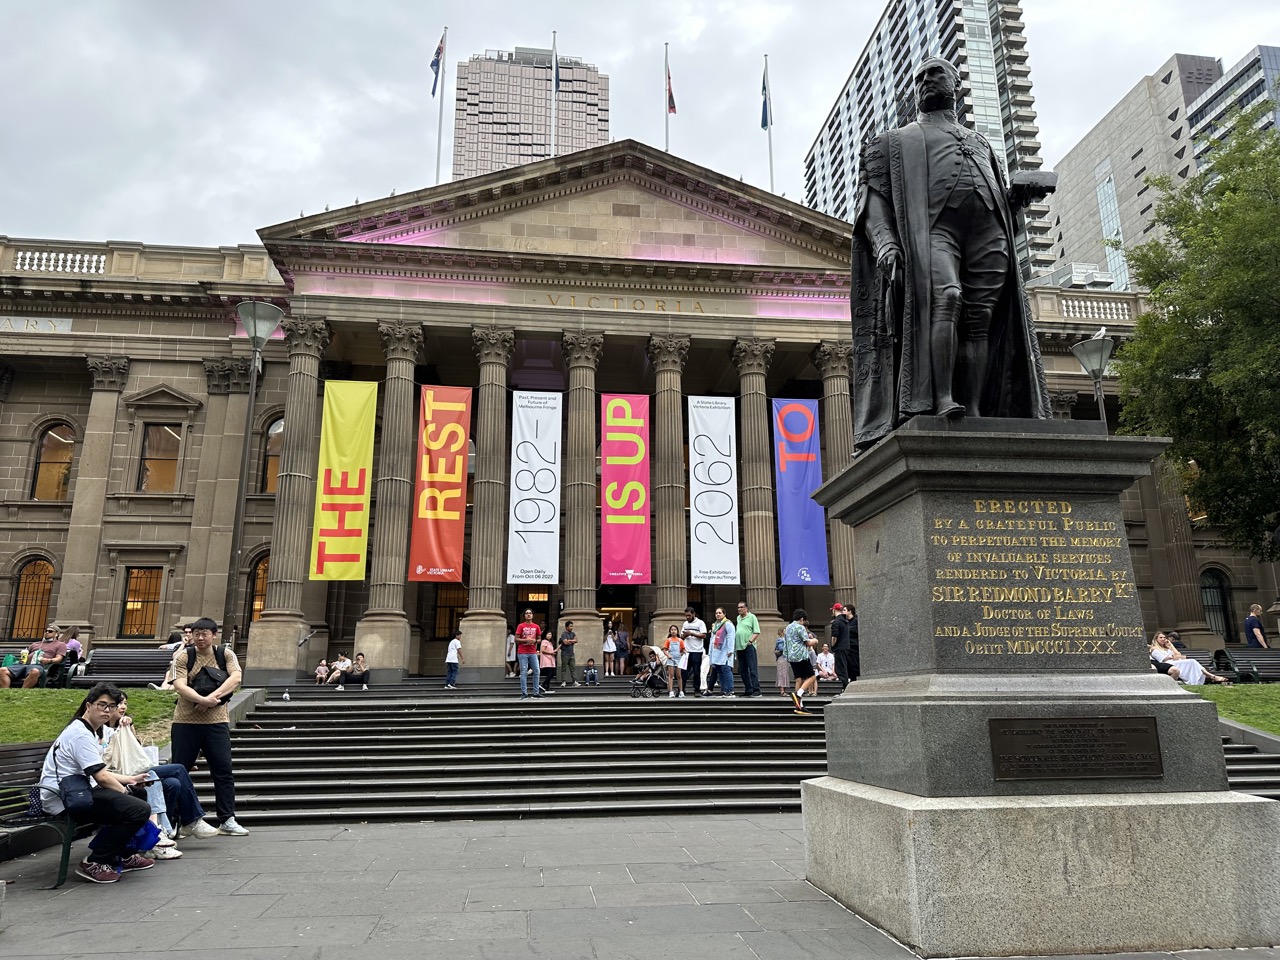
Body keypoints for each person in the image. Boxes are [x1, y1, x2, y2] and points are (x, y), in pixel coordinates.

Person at [851, 57, 1051, 450]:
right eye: (920, 77)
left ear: (955, 83)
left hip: (988, 232)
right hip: (932, 232)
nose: (926, 81)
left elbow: (999, 201)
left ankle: (973, 408)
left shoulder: (981, 143)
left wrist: (1017, 198)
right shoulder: (890, 142)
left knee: (980, 321)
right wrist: (886, 243)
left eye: (935, 73)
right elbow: (872, 206)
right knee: (947, 296)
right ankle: (940, 396)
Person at [37, 683, 155, 883]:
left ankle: (123, 854)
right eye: (102, 705)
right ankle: (95, 861)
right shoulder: (80, 734)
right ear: (88, 705)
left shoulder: (89, 730)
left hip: (79, 791)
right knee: (138, 808)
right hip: (63, 799)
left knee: (138, 795)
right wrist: (124, 792)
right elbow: (101, 777)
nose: (107, 710)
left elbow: (99, 771)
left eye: (111, 706)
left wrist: (130, 780)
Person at [171, 617, 248, 836]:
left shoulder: (225, 654)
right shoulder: (184, 656)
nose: (200, 637)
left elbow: (236, 677)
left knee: (223, 770)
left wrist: (212, 698)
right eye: (196, 633)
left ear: (214, 635)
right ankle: (176, 821)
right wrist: (201, 700)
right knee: (178, 772)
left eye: (205, 633)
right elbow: (179, 685)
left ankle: (227, 819)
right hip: (185, 721)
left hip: (216, 721)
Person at [0, 623, 68, 688]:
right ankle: (6, 691)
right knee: (2, 670)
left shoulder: (60, 644)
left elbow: (58, 658)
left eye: (50, 631)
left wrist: (49, 660)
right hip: (25, 665)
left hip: (41, 665)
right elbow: (26, 654)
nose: (47, 632)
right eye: (46, 631)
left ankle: (22, 692)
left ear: (56, 634)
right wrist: (23, 658)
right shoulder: (35, 644)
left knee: (35, 671)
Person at [1150, 631, 1229, 685]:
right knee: (1192, 661)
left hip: (1175, 662)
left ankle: (1212, 676)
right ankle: (1212, 676)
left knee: (1192, 662)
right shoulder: (1154, 649)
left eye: (1164, 637)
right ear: (1156, 639)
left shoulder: (1167, 647)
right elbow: (1163, 659)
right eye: (1161, 637)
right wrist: (1175, 657)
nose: (1163, 639)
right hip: (1167, 664)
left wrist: (1171, 645)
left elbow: (1178, 654)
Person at [784, 609, 819, 714]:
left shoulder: (788, 627)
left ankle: (799, 705)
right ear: (802, 619)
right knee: (812, 676)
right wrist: (815, 641)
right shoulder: (800, 627)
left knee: (799, 679)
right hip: (801, 656)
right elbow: (808, 643)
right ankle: (799, 693)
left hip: (791, 657)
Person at [734, 600, 763, 698]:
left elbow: (757, 631)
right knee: (742, 670)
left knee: (752, 669)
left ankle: (756, 690)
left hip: (749, 646)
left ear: (746, 608)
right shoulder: (738, 618)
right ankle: (748, 689)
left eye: (741, 607)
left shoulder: (752, 617)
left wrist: (750, 642)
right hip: (739, 647)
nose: (739, 609)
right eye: (738, 607)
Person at [708, 606, 736, 698]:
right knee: (720, 671)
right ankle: (724, 690)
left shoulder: (728, 624)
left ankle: (730, 690)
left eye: (720, 613)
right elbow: (712, 639)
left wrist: (730, 650)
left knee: (726, 670)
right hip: (717, 652)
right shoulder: (715, 625)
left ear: (724, 614)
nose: (718, 614)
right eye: (716, 613)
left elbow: (731, 637)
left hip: (725, 651)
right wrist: (710, 652)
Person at [678, 607, 707, 696]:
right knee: (684, 671)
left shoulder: (700, 623)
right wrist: (684, 636)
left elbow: (704, 635)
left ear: (693, 614)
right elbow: (682, 637)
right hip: (687, 651)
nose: (687, 617)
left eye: (689, 616)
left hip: (697, 651)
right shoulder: (685, 623)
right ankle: (682, 689)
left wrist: (692, 633)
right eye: (686, 616)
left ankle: (697, 690)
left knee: (696, 671)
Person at [515, 609, 542, 700]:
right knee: (523, 672)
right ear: (524, 616)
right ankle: (524, 693)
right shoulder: (520, 626)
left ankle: (536, 692)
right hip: (522, 652)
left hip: (533, 652)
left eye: (530, 613)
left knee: (537, 671)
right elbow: (516, 639)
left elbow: (539, 639)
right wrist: (526, 640)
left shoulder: (536, 626)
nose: (528, 615)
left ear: (533, 615)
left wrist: (535, 641)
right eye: (526, 613)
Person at [829, 603, 851, 687]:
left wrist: (832, 645)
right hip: (846, 647)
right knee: (844, 668)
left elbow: (834, 637)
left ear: (834, 610)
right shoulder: (845, 622)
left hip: (839, 648)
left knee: (840, 670)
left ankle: (845, 687)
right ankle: (845, 686)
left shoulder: (836, 622)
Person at [662, 625, 684, 698]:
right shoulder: (668, 640)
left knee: (679, 675)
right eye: (672, 630)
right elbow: (664, 650)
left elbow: (683, 649)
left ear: (677, 631)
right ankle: (670, 691)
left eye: (675, 629)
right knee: (671, 675)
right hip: (671, 659)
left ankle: (681, 691)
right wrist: (668, 655)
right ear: (670, 631)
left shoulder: (680, 640)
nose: (673, 631)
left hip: (678, 659)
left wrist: (684, 653)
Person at [558, 621, 580, 687]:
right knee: (564, 668)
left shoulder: (573, 633)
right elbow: (565, 642)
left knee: (573, 668)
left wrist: (569, 640)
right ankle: (563, 681)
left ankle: (575, 681)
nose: (571, 627)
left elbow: (576, 640)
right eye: (570, 626)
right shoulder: (564, 634)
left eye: (572, 626)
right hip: (565, 654)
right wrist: (571, 641)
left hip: (571, 654)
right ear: (566, 627)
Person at [538, 630, 558, 695]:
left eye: (550, 634)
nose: (549, 636)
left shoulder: (550, 643)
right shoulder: (544, 641)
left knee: (552, 673)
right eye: (548, 634)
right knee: (550, 672)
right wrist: (551, 653)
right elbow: (543, 650)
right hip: (546, 658)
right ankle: (543, 684)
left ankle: (547, 687)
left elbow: (552, 650)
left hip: (551, 658)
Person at [774, 626, 791, 696]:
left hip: (784, 658)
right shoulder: (780, 640)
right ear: (782, 632)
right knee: (782, 674)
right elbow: (781, 648)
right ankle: (782, 691)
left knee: (784, 674)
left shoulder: (784, 639)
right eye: (784, 631)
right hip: (782, 658)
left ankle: (784, 690)